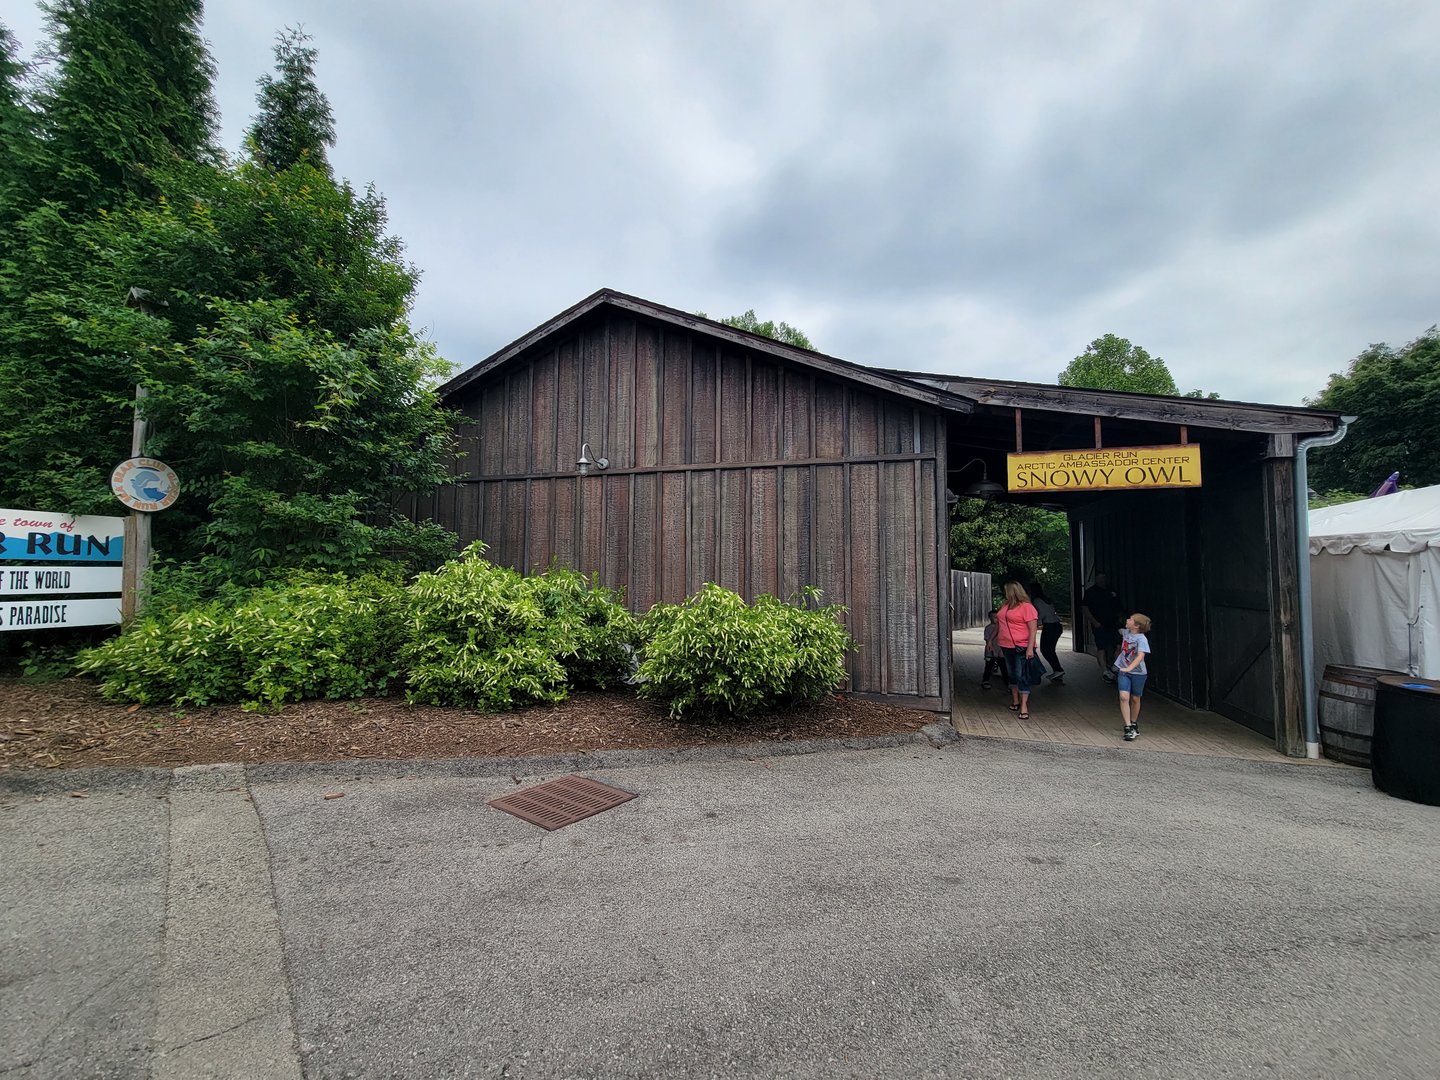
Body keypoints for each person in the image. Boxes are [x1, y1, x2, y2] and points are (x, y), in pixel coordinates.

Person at [996, 581, 1039, 720]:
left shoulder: (1027, 607)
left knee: (1022, 675)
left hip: (1021, 645)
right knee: (1012, 673)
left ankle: (1024, 705)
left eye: (1006, 591)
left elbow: (1033, 628)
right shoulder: (1005, 605)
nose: (1005, 593)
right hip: (1006, 645)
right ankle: (1015, 700)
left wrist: (1030, 648)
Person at [1115, 613, 1152, 741]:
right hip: (1124, 671)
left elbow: (1140, 656)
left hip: (1138, 673)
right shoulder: (1126, 632)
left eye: (1130, 619)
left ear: (1136, 625)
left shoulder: (1142, 639)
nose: (1127, 620)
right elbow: (1117, 629)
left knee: (1135, 698)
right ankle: (1128, 726)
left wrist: (1129, 668)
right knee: (1124, 697)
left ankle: (1134, 722)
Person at [1082, 572, 1124, 682]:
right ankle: (1105, 671)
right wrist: (1094, 621)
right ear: (1095, 579)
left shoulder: (1112, 590)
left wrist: (1119, 618)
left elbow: (1119, 606)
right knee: (1101, 648)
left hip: (1114, 624)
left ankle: (1116, 667)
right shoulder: (1090, 592)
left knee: (1119, 645)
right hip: (1099, 624)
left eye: (1103, 578)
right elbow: (1085, 608)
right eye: (1099, 578)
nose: (1102, 580)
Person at [1028, 581, 1065, 683]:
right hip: (1056, 625)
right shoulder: (1046, 599)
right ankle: (1057, 671)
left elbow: (1042, 614)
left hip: (1049, 626)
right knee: (1050, 650)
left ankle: (1058, 669)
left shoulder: (1037, 600)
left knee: (1046, 650)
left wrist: (1035, 622)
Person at [981, 608, 1010, 690]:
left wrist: (1001, 651)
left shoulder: (1003, 628)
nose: (995, 619)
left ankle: (1008, 683)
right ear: (990, 618)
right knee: (988, 667)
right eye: (993, 617)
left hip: (1001, 651)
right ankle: (985, 680)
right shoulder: (988, 628)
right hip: (990, 651)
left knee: (1004, 668)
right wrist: (993, 650)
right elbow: (987, 641)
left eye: (997, 617)